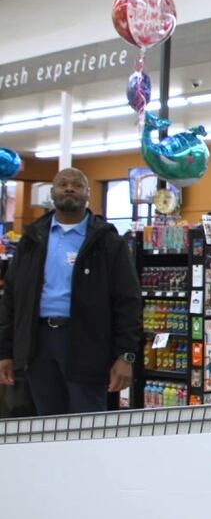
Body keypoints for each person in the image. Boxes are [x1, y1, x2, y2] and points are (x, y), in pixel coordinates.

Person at [0, 167, 141, 415]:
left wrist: (126, 355)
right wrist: (5, 352)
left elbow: (128, 301)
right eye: (63, 184)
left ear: (88, 193)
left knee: (87, 421)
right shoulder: (32, 240)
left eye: (77, 185)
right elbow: (11, 298)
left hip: (88, 343)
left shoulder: (107, 242)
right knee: (48, 421)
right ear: (52, 192)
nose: (69, 188)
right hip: (37, 343)